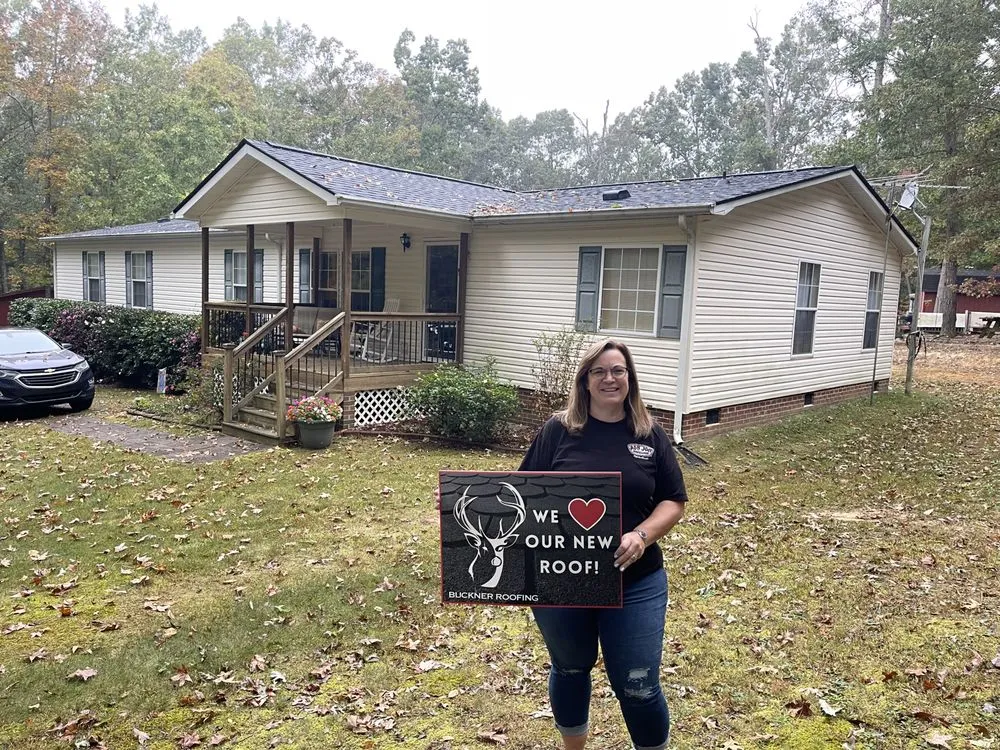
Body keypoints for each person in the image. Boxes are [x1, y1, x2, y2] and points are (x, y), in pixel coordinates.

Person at [518, 338, 687, 750]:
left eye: (618, 370)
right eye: (600, 371)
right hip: (561, 577)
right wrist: (460, 500)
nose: (610, 378)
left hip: (635, 580)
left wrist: (642, 534)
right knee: (571, 668)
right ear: (585, 380)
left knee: (638, 685)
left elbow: (673, 500)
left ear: (629, 378)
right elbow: (520, 492)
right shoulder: (558, 430)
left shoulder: (649, 434)